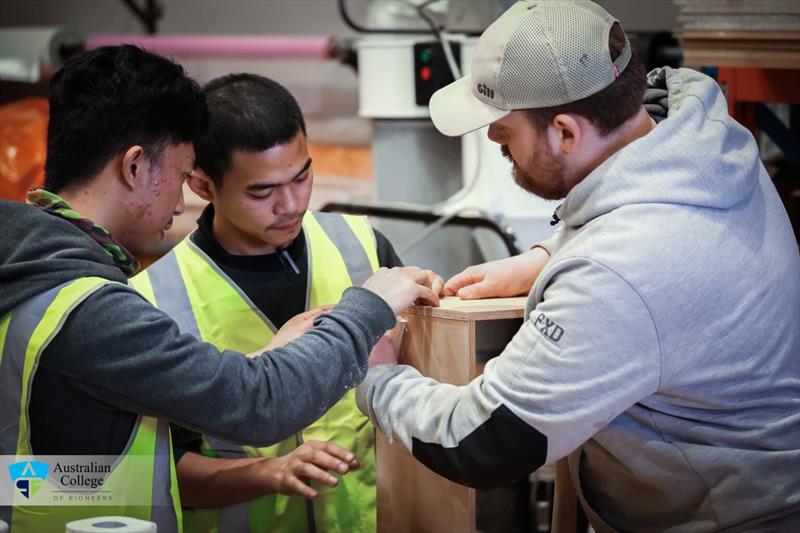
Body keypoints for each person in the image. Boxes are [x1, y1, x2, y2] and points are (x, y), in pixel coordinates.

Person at [355, 1, 800, 531]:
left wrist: (377, 374)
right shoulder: (699, 133)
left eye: (503, 130)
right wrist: (547, 255)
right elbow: (630, 205)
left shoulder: (619, 271)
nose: (494, 141)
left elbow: (481, 441)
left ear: (566, 132)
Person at [0, 45, 438, 533]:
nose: (181, 196)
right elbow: (259, 405)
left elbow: (32, 476)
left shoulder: (29, 274)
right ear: (135, 167)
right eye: (183, 175)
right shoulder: (89, 307)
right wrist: (366, 309)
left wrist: (253, 367)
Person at [130, 73, 435, 533]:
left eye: (302, 176)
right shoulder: (154, 299)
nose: (291, 204)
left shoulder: (362, 246)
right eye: (262, 191)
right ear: (202, 185)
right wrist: (267, 473)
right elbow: (154, 473)